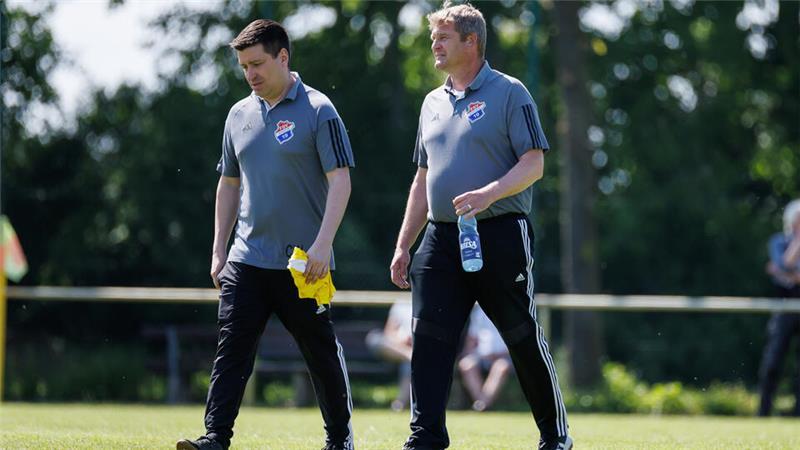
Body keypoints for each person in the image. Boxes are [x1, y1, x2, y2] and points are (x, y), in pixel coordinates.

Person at [389, 3, 571, 449]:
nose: (434, 44)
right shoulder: (431, 103)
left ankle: (555, 437)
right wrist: (403, 245)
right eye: (433, 37)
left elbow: (534, 163)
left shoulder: (511, 93)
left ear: (472, 41)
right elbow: (422, 177)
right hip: (440, 238)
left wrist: (488, 194)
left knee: (520, 335)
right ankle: (425, 438)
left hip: (499, 231)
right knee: (428, 338)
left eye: (443, 37)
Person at [177, 19, 356, 450]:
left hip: (303, 263)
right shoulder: (238, 114)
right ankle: (215, 438)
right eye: (243, 66)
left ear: (283, 57)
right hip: (247, 258)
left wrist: (322, 245)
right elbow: (229, 184)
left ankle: (339, 440)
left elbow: (341, 181)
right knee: (233, 348)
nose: (250, 74)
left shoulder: (319, 110)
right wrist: (219, 249)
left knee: (319, 354)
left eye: (257, 63)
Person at [758, 199, 800, 417]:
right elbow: (782, 263)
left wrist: (784, 272)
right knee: (773, 360)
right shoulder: (778, 241)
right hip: (784, 307)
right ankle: (763, 411)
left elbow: (780, 269)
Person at [458, 305, 512, 412]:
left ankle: (481, 404)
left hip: (504, 357)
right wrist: (467, 354)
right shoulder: (478, 313)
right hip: (482, 356)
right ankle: (482, 404)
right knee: (466, 365)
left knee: (501, 367)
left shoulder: (509, 311)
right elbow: (472, 339)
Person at [365, 301, 413, 410]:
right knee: (374, 338)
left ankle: (400, 403)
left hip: (418, 348)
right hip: (396, 349)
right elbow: (389, 333)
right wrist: (400, 339)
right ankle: (409, 355)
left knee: (410, 363)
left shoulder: (427, 301)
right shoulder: (400, 304)